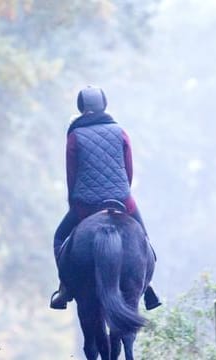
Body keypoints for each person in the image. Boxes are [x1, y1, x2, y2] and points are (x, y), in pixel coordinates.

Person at [50, 86, 161, 310]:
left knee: (60, 238)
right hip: (122, 200)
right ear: (104, 105)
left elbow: (71, 173)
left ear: (81, 107)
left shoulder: (74, 135)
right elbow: (128, 169)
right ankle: (147, 287)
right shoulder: (120, 131)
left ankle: (65, 288)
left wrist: (74, 203)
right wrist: (123, 194)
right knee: (144, 241)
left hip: (85, 205)